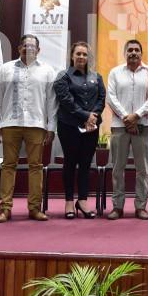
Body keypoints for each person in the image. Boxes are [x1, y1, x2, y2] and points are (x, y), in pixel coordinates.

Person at [0, 34, 57, 223]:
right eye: (25, 45)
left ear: (38, 50)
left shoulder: (47, 71)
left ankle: (35, 208)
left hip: (36, 124)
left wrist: (51, 126)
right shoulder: (5, 69)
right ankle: (5, 209)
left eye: (32, 46)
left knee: (35, 166)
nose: (28, 49)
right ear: (19, 48)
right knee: (8, 166)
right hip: (10, 123)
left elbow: (51, 101)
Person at [106, 39, 148, 220]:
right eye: (130, 50)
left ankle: (140, 207)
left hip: (143, 126)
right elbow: (111, 97)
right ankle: (117, 207)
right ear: (125, 53)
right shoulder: (115, 72)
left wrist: (136, 116)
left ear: (141, 53)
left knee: (142, 169)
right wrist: (126, 118)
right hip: (120, 127)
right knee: (117, 168)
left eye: (137, 50)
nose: (133, 53)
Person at [53, 41, 105, 219]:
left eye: (84, 54)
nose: (82, 57)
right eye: (78, 54)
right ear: (72, 56)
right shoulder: (63, 76)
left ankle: (82, 200)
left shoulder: (96, 76)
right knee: (70, 162)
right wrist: (85, 116)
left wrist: (94, 116)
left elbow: (101, 98)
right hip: (69, 126)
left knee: (85, 163)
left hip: (92, 126)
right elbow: (66, 100)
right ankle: (68, 201)